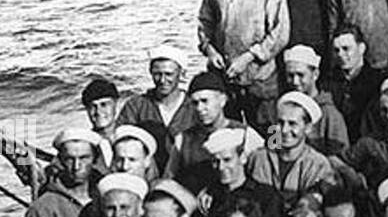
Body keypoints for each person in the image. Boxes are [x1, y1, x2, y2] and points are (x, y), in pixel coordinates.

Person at [197, 0, 291, 130]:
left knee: (271, 131)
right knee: (227, 133)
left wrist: (249, 57)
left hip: (261, 79)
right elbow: (205, 23)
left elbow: (280, 32)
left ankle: (274, 152)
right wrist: (210, 50)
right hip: (225, 78)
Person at [178, 128, 286, 217]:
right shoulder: (210, 198)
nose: (221, 167)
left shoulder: (265, 196)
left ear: (243, 158)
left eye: (227, 160)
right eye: (215, 161)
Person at [166, 70, 265, 183]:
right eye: (195, 103)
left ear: (222, 100)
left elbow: (263, 174)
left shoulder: (245, 135)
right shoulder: (184, 139)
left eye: (205, 101)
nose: (199, 108)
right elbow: (169, 179)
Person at [245, 91, 338, 210]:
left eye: (292, 124)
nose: (284, 130)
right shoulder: (258, 158)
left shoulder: (318, 165)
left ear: (308, 128)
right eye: (280, 122)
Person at [116, 45, 198, 175]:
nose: (162, 80)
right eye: (157, 74)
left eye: (169, 74)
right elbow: (121, 141)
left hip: (188, 173)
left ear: (181, 73)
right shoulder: (136, 106)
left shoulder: (194, 106)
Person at [281, 45, 348, 158]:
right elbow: (272, 149)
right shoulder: (281, 108)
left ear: (315, 74)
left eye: (301, 75)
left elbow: (340, 160)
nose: (295, 81)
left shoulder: (330, 115)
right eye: (290, 75)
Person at [323, 24, 386, 138]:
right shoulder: (328, 82)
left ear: (361, 48)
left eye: (346, 49)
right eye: (336, 50)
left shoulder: (378, 82)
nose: (340, 55)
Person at [81, 77, 123, 170]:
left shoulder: (132, 138)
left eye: (104, 105)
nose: (98, 111)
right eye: (93, 106)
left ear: (116, 104)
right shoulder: (83, 145)